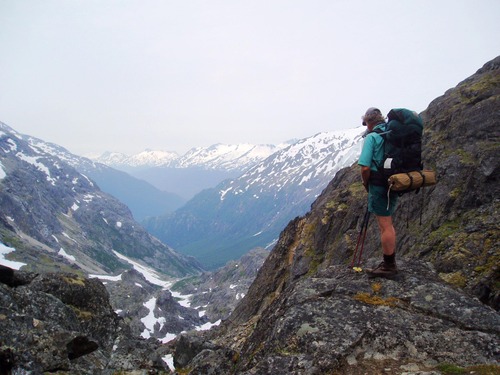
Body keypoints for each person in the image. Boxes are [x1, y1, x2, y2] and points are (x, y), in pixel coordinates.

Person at [358, 107, 399, 278]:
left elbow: (365, 166)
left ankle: (389, 265)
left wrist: (366, 183)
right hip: (393, 183)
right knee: (388, 223)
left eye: (365, 123)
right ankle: (390, 261)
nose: (365, 126)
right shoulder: (392, 134)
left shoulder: (372, 137)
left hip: (378, 185)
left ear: (369, 122)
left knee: (385, 226)